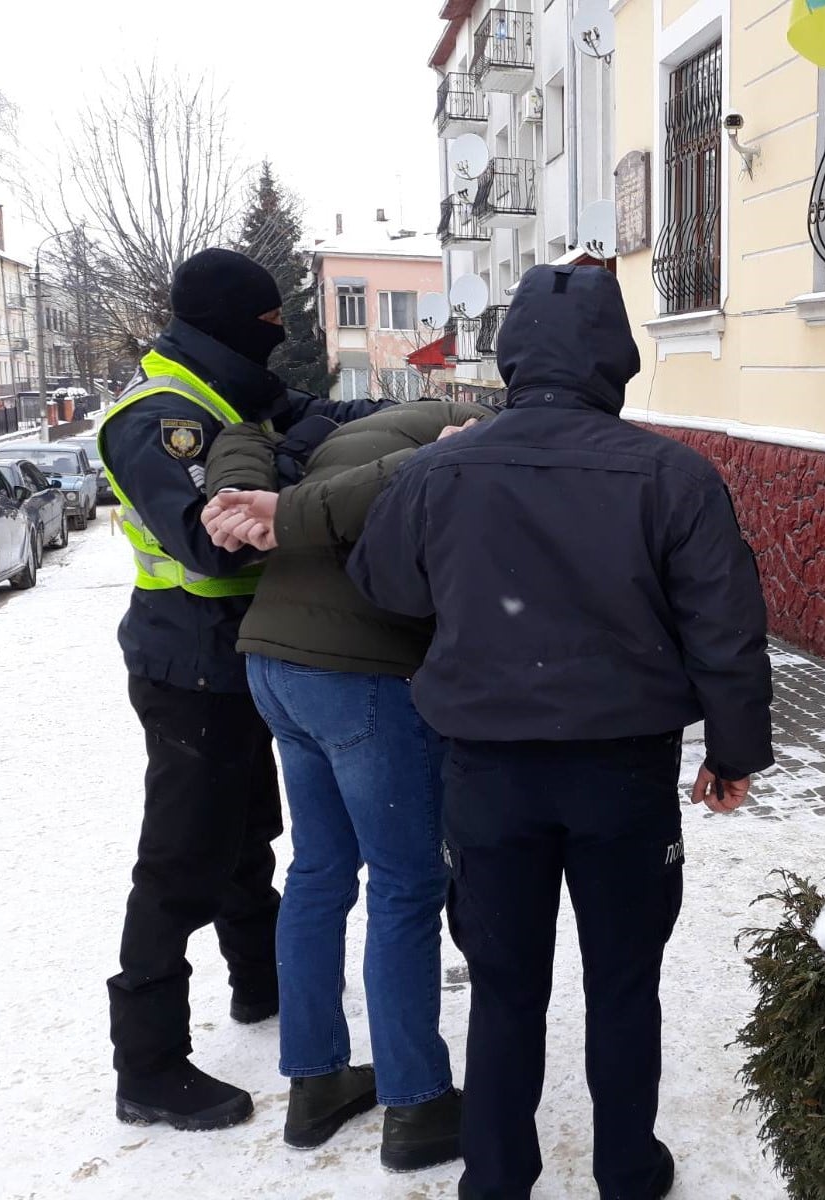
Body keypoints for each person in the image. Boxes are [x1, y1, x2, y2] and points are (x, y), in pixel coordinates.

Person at [348, 264, 774, 1200]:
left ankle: (498, 1178)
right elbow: (725, 627)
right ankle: (627, 1169)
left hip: (488, 774)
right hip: (621, 774)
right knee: (624, 981)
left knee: (504, 987)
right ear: (616, 358)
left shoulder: (439, 472)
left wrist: (473, 600)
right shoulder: (673, 475)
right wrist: (734, 749)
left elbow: (384, 586)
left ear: (512, 357)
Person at [97, 248, 383, 1131]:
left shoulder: (230, 391)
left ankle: (260, 984)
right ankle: (147, 1065)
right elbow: (211, 541)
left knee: (248, 832)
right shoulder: (161, 416)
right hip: (187, 665)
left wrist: (416, 425)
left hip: (239, 655)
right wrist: (290, 462)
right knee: (180, 860)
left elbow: (324, 418)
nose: (278, 338)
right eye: (267, 324)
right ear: (227, 324)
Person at [199, 398, 499, 1169]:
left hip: (274, 662)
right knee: (405, 883)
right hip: (360, 673)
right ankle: (418, 1103)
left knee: (319, 872)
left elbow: (250, 440)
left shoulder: (336, 440)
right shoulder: (456, 437)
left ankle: (315, 1082)